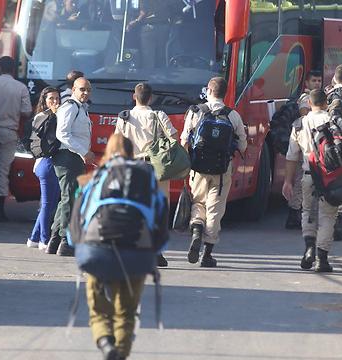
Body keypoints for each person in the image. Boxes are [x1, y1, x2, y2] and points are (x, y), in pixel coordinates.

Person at [79, 133, 152, 360]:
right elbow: (157, 218)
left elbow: (78, 217)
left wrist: (78, 247)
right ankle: (120, 352)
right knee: (127, 313)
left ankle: (105, 342)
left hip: (97, 249)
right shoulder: (145, 175)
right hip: (134, 250)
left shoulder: (95, 177)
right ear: (132, 153)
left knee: (99, 309)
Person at [181, 77, 247, 268]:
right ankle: (207, 254)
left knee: (198, 202)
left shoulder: (195, 112)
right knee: (215, 209)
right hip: (221, 171)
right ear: (224, 93)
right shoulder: (233, 115)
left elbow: (185, 140)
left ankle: (196, 229)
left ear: (208, 90)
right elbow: (242, 145)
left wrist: (188, 162)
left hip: (198, 169)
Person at [114, 82, 177, 267]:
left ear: (135, 97)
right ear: (151, 98)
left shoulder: (124, 117)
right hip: (155, 167)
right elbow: (173, 139)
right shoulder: (159, 115)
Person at [283, 89, 342, 272]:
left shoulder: (299, 124)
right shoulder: (333, 120)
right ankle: (321, 258)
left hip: (308, 175)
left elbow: (291, 156)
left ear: (309, 103)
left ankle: (309, 247)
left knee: (307, 212)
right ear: (326, 103)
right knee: (328, 215)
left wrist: (287, 181)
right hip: (330, 176)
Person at [47, 77, 95, 256]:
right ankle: (65, 241)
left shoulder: (81, 109)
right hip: (68, 157)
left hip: (74, 158)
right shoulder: (70, 106)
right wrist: (84, 151)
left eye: (88, 90)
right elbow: (63, 134)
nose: (85, 93)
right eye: (82, 89)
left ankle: (55, 240)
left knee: (66, 198)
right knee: (70, 199)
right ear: (73, 89)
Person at [0, 56, 33, 221]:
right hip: (9, 131)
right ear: (14, 70)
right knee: (2, 171)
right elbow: (27, 112)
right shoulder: (20, 88)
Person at [285, 69, 324, 229]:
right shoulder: (305, 98)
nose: (317, 83)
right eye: (314, 80)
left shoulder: (317, 97)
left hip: (311, 144)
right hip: (306, 144)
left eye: (319, 80)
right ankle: (294, 212)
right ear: (307, 82)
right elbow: (303, 115)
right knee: (301, 182)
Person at [28, 87, 62, 250]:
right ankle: (43, 239)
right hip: (46, 163)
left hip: (50, 163)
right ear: (44, 101)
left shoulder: (54, 115)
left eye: (57, 98)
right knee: (48, 204)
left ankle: (34, 238)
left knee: (51, 202)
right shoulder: (43, 117)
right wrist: (55, 114)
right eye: (51, 99)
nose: (55, 102)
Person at [127, 0, 172, 69]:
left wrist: (133, 23)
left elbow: (143, 12)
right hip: (164, 27)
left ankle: (149, 77)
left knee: (148, 60)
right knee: (162, 58)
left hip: (149, 29)